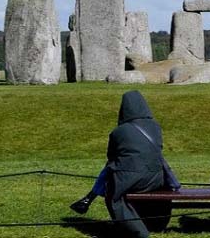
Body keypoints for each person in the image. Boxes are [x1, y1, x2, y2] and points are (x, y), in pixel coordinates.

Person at [70, 90, 179, 238]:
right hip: (156, 177)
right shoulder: (155, 127)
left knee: (114, 197)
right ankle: (155, 223)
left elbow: (111, 156)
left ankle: (138, 230)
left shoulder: (118, 132)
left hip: (130, 178)